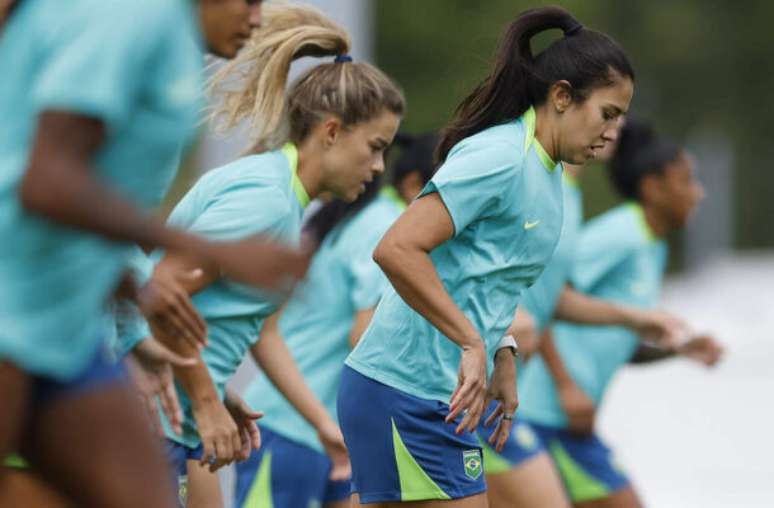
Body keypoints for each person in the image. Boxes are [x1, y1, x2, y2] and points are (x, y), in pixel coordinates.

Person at [0, 1, 306, 506]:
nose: (257, 18)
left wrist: (136, 293)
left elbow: (87, 200)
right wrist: (204, 246)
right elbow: (45, 182)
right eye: (248, 1)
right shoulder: (129, 19)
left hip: (65, 337)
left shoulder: (166, 42)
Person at [338, 6, 635, 506]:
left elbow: (487, 279)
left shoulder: (550, 176)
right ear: (562, 97)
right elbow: (396, 247)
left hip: (439, 397)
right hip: (404, 389)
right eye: (607, 114)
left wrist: (503, 353)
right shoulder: (501, 154)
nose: (612, 132)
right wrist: (472, 343)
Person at [137, 3, 405, 506]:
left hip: (180, 414)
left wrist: (316, 423)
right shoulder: (266, 199)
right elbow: (163, 291)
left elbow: (263, 329)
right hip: (154, 414)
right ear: (330, 132)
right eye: (374, 146)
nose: (378, 166)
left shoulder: (282, 200)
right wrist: (203, 397)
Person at [515, 119, 722, 508]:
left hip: (572, 424)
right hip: (544, 414)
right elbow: (541, 297)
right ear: (653, 187)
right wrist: (566, 386)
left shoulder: (652, 246)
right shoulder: (620, 233)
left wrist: (678, 350)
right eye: (686, 180)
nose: (698, 193)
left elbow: (614, 335)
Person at [232, 133, 438, 508]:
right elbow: (365, 338)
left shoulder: (370, 216)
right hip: (289, 424)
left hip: (322, 430)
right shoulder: (388, 227)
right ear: (415, 186)